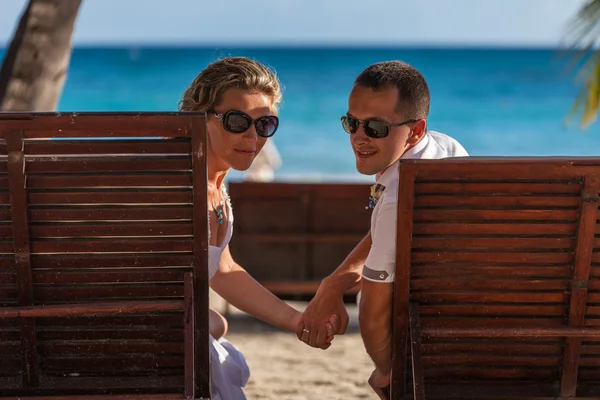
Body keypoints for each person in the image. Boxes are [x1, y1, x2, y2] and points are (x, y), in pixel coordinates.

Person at [296, 61, 469, 398]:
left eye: (375, 127)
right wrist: (335, 282)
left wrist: (387, 374)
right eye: (351, 123)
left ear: (415, 131)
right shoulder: (447, 150)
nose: (359, 137)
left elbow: (373, 317)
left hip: (435, 351)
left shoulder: (399, 196)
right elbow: (387, 233)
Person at [179, 56, 336, 400]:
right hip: (152, 335)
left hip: (158, 326)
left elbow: (224, 269)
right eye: (237, 121)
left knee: (215, 325)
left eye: (265, 124)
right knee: (213, 327)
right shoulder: (183, 188)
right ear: (201, 118)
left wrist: (296, 321)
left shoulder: (213, 185)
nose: (253, 136)